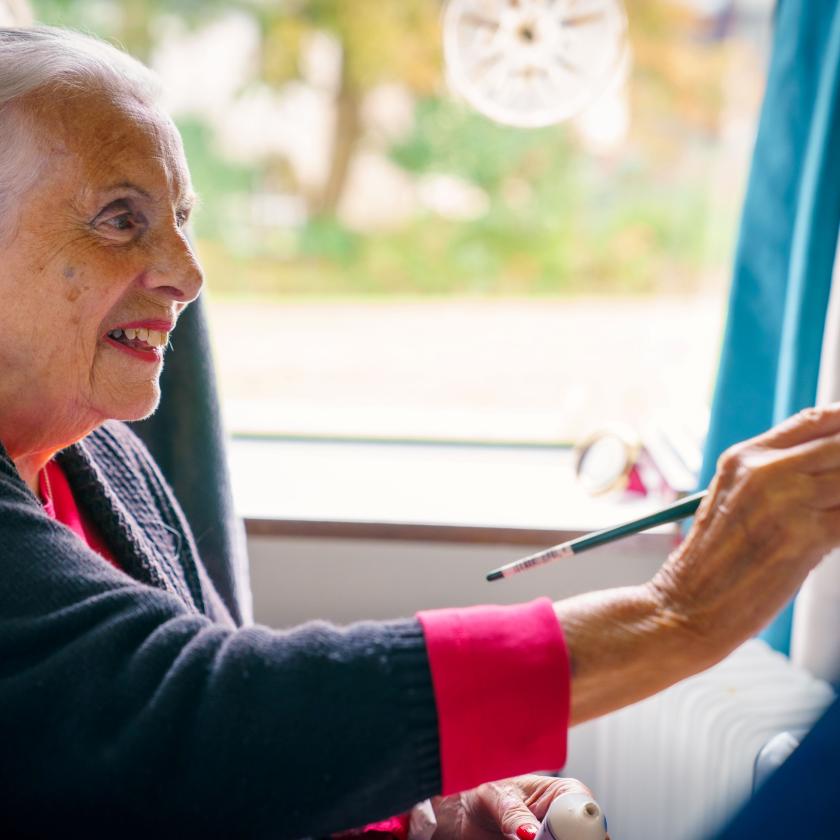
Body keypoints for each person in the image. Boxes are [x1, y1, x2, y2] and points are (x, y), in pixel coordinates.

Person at [2, 25, 840, 839]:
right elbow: (209, 714)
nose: (188, 275)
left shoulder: (100, 458)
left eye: (184, 217)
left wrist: (406, 812)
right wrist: (675, 613)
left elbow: (204, 779)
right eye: (120, 218)